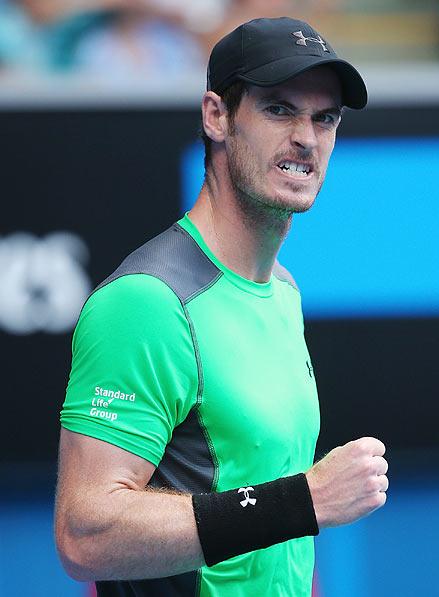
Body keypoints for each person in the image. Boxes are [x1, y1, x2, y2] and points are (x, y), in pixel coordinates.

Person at [55, 16, 389, 597]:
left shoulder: (282, 290)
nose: (307, 138)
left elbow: (276, 527)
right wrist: (305, 500)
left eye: (324, 118)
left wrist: (297, 511)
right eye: (279, 110)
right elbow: (85, 536)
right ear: (216, 116)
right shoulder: (146, 302)